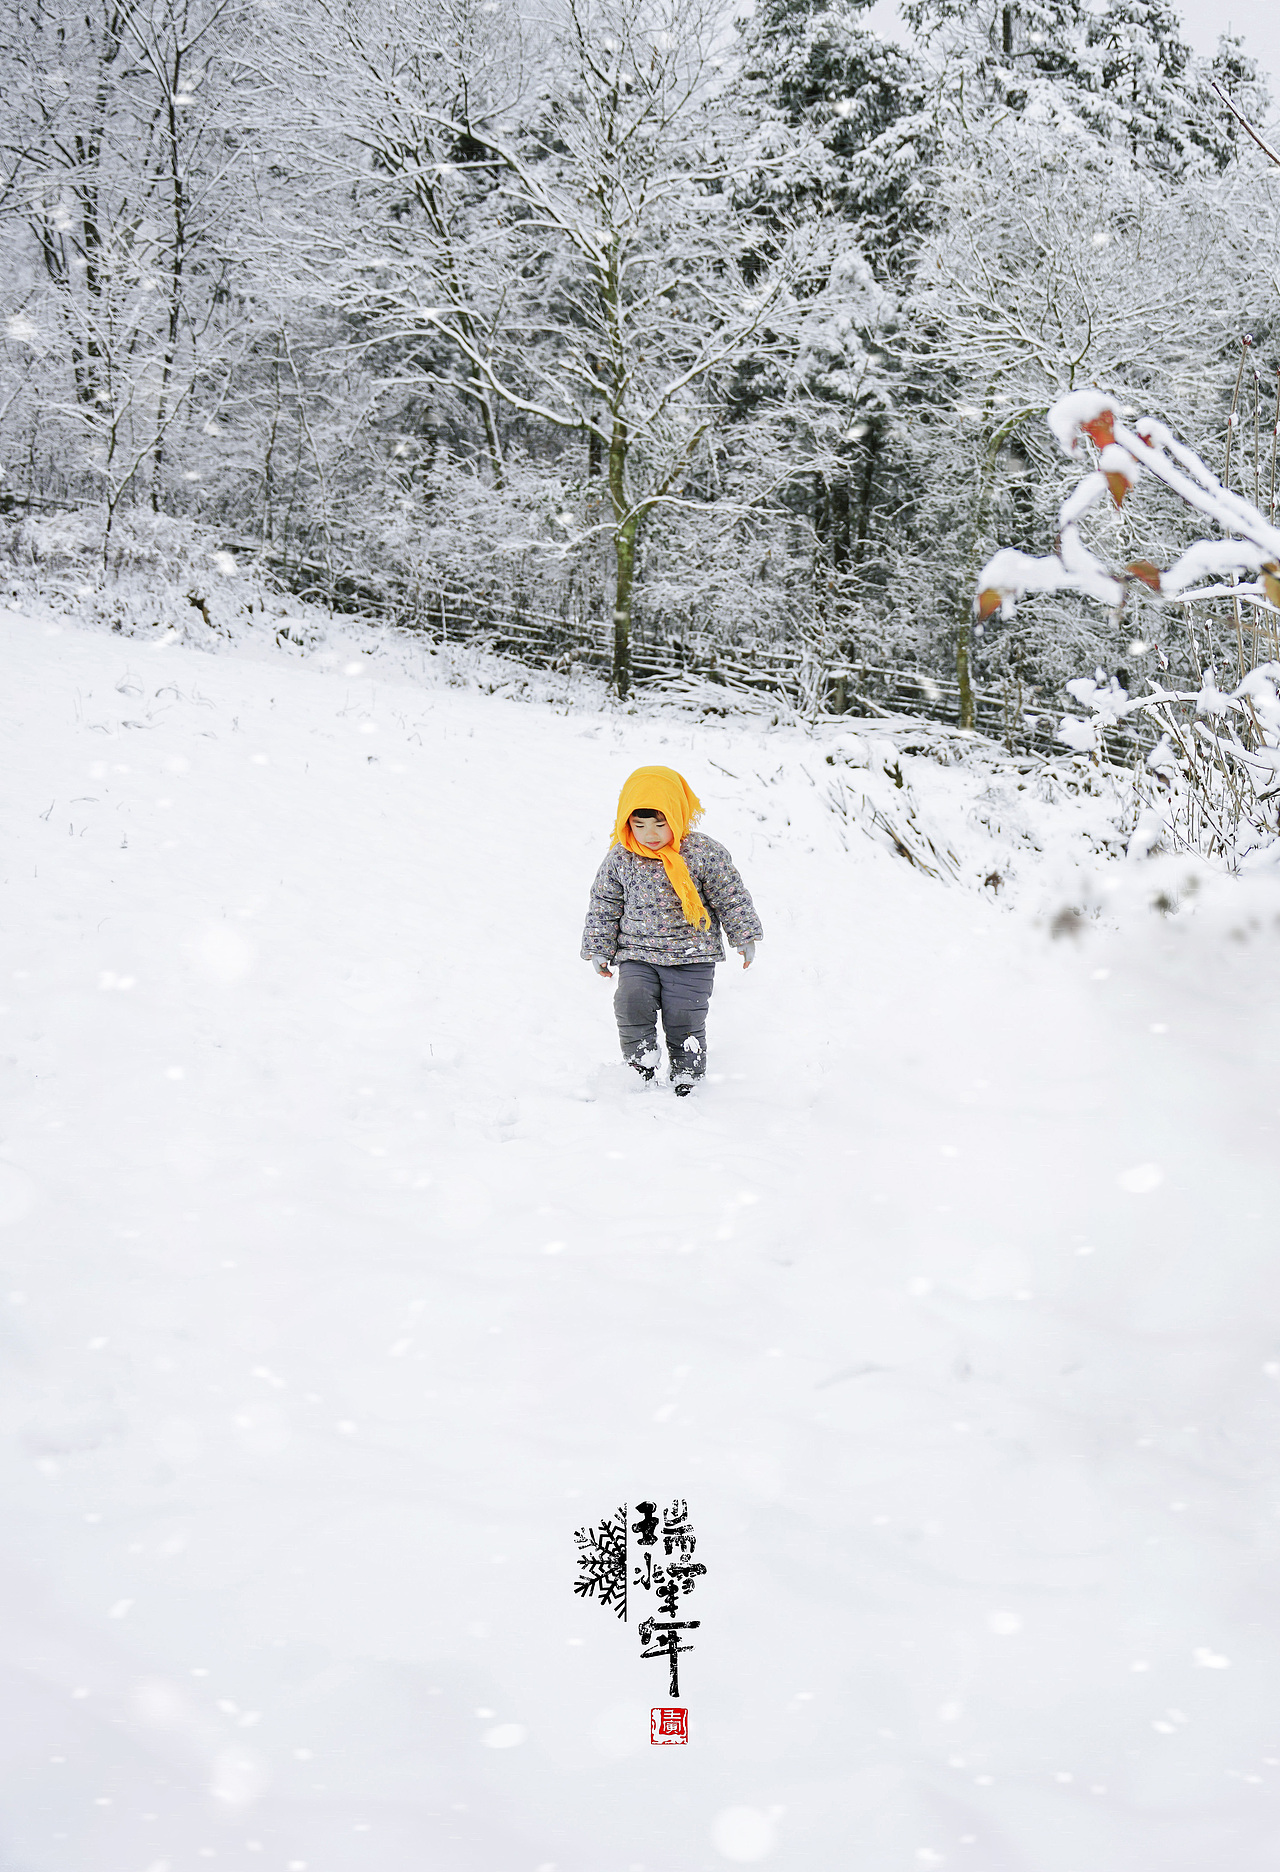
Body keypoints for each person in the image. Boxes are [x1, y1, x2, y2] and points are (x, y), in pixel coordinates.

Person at [581, 766, 763, 1094]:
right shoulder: (621, 858)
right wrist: (599, 947)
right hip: (638, 952)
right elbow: (604, 903)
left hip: (692, 955)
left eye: (660, 824)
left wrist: (744, 934)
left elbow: (730, 895)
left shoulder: (703, 853)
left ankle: (687, 1074)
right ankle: (639, 1065)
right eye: (639, 825)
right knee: (630, 1002)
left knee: (684, 1016)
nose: (650, 834)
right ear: (626, 823)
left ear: (677, 816)